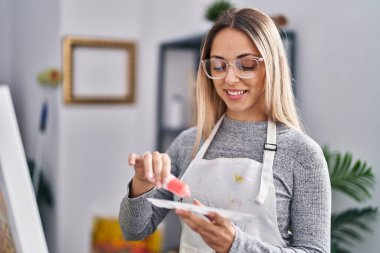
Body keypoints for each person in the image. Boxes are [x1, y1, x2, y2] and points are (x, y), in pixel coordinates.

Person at [119, 7, 331, 253]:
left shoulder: (302, 154)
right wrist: (141, 185)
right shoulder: (190, 143)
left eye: (247, 64)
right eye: (219, 66)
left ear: (274, 66)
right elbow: (133, 231)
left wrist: (236, 246)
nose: (230, 79)